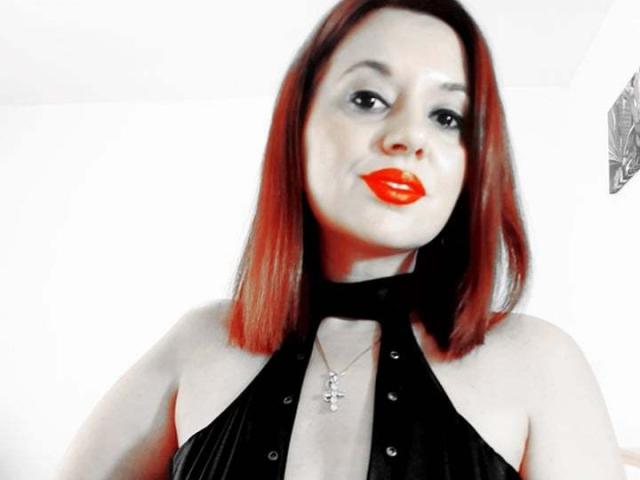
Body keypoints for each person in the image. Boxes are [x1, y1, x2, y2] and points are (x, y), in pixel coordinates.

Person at [56, 0, 626, 479]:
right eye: (368, 99)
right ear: (298, 127)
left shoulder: (541, 362)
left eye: (447, 117)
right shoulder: (198, 342)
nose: (410, 137)